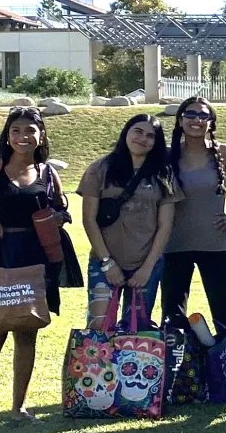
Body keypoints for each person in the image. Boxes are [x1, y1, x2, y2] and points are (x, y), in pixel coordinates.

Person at [0, 107, 71, 433]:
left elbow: (60, 208)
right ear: (8, 134)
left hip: (36, 259)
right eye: (17, 130)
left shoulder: (47, 171)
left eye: (30, 131)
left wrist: (58, 219)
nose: (23, 137)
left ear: (42, 135)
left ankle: (18, 407)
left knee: (27, 332)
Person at [162, 97, 226, 358]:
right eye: (190, 114)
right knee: (173, 311)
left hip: (215, 244)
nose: (196, 120)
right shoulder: (168, 156)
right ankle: (176, 366)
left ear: (212, 122)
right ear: (180, 120)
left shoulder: (223, 152)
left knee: (224, 308)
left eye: (203, 115)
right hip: (174, 244)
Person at [78, 114, 182, 322]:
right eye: (138, 131)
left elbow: (165, 225)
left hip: (146, 263)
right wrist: (107, 263)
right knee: (99, 328)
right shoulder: (100, 168)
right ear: (126, 132)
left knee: (136, 329)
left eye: (150, 136)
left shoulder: (163, 174)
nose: (142, 139)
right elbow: (89, 220)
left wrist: (147, 268)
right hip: (104, 260)